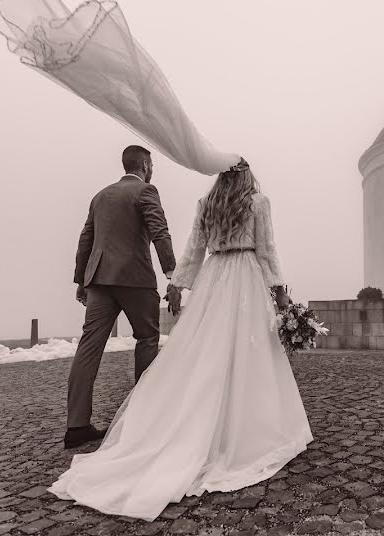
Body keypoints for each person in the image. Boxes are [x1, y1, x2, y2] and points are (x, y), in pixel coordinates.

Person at [49, 158, 313, 521]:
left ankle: (108, 421)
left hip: (212, 278)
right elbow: (267, 251)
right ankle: (245, 423)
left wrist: (178, 285)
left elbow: (193, 250)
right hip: (245, 278)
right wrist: (280, 292)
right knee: (247, 349)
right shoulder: (257, 202)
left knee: (204, 350)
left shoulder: (206, 204)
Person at [65, 145, 176, 449]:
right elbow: (160, 231)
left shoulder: (100, 196)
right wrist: (172, 274)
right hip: (134, 278)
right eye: (151, 164)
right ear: (143, 164)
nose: (152, 169)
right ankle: (143, 416)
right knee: (148, 339)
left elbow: (86, 238)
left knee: (89, 347)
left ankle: (76, 425)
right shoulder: (145, 192)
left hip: (98, 280)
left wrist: (81, 281)